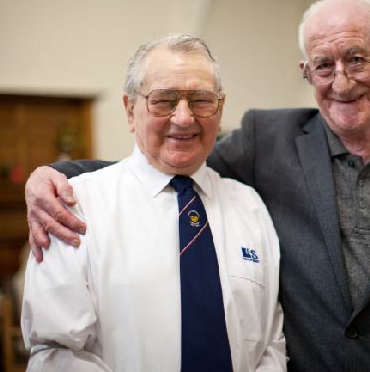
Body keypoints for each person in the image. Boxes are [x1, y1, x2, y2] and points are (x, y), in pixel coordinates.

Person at [24, 0, 370, 371]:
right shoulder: (269, 142)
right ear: (306, 72)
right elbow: (169, 160)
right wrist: (51, 177)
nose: (341, 82)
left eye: (357, 59)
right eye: (323, 65)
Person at [21, 35, 287, 372]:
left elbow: (271, 344)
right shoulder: (73, 208)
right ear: (130, 109)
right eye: (164, 100)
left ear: (220, 108)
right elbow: (56, 352)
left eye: (201, 100)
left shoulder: (250, 206)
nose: (184, 117)